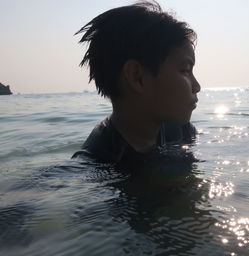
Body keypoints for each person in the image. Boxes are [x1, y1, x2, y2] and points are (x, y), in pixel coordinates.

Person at [72, 1, 201, 169]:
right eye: (185, 70)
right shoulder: (97, 163)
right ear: (137, 77)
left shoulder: (179, 131)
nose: (197, 86)